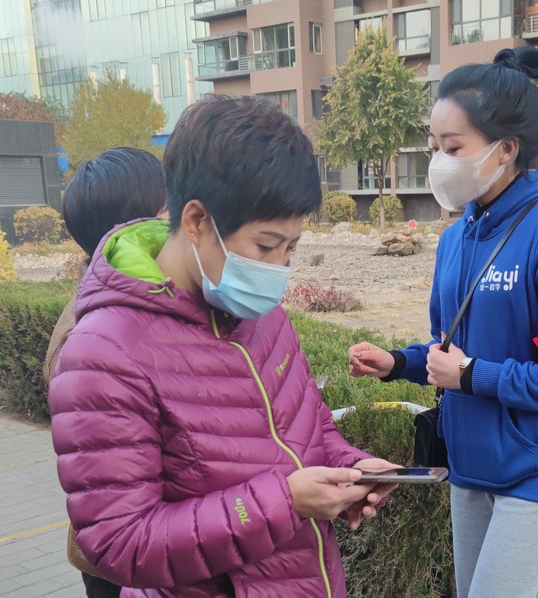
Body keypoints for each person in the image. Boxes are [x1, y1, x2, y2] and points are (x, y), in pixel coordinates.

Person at [48, 95, 398, 598]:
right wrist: (285, 503)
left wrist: (349, 467)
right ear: (196, 221)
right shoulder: (104, 354)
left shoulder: (262, 316)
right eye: (265, 246)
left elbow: (308, 425)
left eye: (291, 248)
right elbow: (118, 543)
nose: (278, 269)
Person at [348, 47, 538, 598]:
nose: (439, 161)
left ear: (506, 149)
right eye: (433, 147)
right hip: (469, 469)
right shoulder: (454, 241)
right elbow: (447, 349)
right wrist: (397, 363)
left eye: (453, 148)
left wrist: (472, 376)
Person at [44, 146, 168, 598]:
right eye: (171, 209)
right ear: (136, 227)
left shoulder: (133, 304)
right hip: (126, 566)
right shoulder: (90, 337)